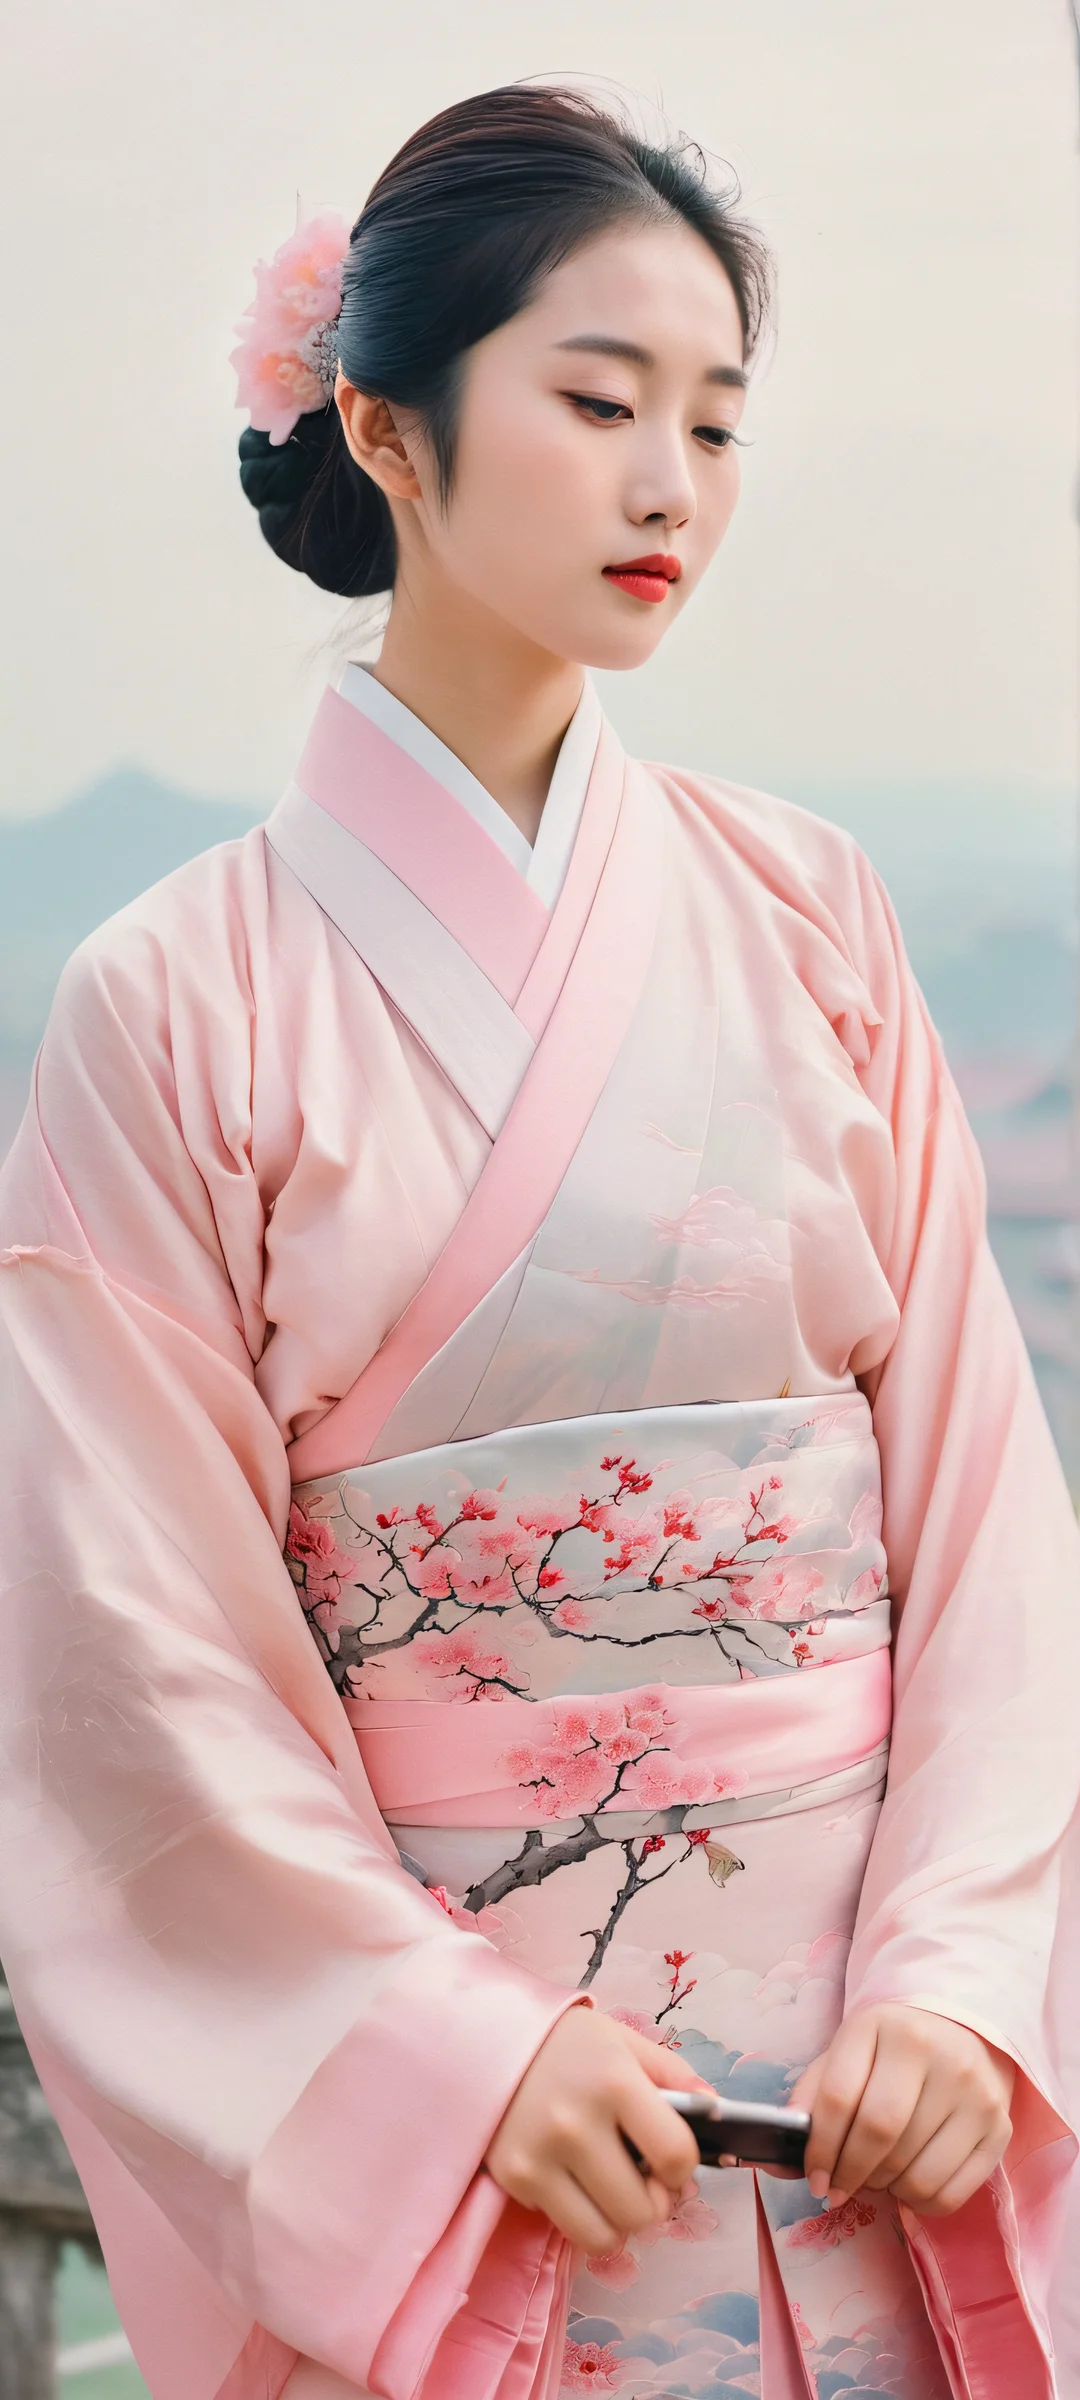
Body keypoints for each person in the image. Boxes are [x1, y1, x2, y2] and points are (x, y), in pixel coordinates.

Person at [0, 81, 1076, 2400]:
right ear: (385, 433)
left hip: (878, 2109)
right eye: (598, 404)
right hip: (481, 2151)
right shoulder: (169, 1005)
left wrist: (965, 1980)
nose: (671, 482)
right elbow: (132, 1673)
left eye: (714, 420)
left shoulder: (812, 916)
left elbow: (987, 1517)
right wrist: (444, 2056)